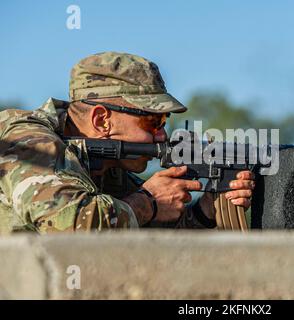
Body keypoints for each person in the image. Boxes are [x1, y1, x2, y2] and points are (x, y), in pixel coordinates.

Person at [0, 52, 254, 234]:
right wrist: (149, 202)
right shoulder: (25, 141)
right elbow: (72, 226)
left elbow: (156, 243)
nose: (162, 136)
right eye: (153, 121)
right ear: (102, 121)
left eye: (164, 122)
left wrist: (207, 209)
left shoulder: (109, 166)